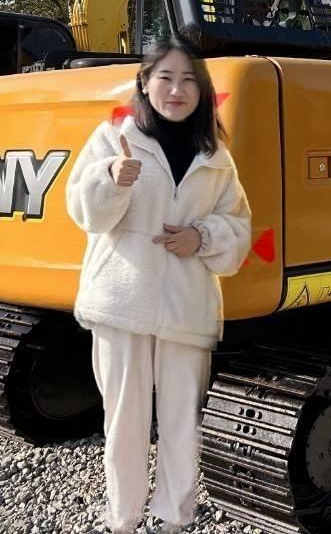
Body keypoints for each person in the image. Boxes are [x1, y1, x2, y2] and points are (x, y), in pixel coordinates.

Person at [66, 36, 252, 534]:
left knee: (180, 423)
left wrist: (201, 236)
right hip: (120, 303)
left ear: (203, 91)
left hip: (187, 308)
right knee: (123, 421)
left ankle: (175, 518)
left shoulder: (215, 156)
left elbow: (237, 229)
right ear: (145, 84)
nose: (177, 89)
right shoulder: (112, 139)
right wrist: (112, 178)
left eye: (189, 79)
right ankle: (122, 521)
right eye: (165, 77)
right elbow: (85, 212)